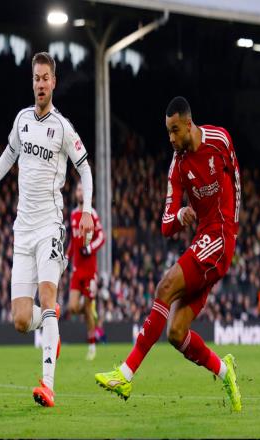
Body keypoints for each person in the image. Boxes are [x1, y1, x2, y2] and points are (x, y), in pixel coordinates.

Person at [0, 52, 94, 407]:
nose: (40, 84)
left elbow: (85, 168)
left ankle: (48, 385)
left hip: (50, 225)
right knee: (21, 320)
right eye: (36, 78)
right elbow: (9, 155)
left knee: (48, 298)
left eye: (46, 78)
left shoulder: (62, 127)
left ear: (54, 82)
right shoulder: (22, 120)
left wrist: (86, 210)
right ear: (32, 82)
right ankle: (51, 328)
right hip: (22, 231)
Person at [95, 96, 242, 412]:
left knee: (164, 286)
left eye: (175, 130)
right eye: (168, 132)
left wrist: (232, 227)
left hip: (221, 236)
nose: (171, 138)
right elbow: (165, 225)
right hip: (204, 238)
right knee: (176, 333)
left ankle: (125, 374)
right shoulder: (178, 166)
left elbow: (236, 179)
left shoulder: (219, 140)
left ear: (189, 124)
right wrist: (179, 216)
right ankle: (224, 370)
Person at [66, 181, 105, 360]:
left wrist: (89, 249)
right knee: (72, 307)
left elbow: (102, 237)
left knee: (88, 308)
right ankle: (89, 306)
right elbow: (73, 242)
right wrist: (66, 258)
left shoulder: (92, 214)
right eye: (78, 189)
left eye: (83, 189)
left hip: (90, 271)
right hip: (77, 270)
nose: (80, 192)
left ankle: (92, 345)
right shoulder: (73, 214)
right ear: (76, 193)